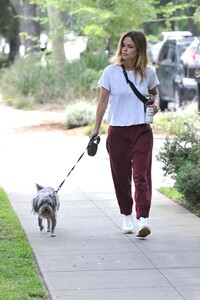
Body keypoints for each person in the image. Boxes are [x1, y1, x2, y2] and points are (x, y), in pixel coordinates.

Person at [89, 30, 159, 238]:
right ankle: (127, 215)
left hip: (141, 130)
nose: (124, 50)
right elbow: (102, 101)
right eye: (123, 46)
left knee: (141, 176)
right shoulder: (110, 72)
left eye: (130, 47)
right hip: (117, 131)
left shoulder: (148, 72)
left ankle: (143, 219)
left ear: (139, 50)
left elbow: (155, 95)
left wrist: (155, 105)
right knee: (121, 177)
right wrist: (96, 128)